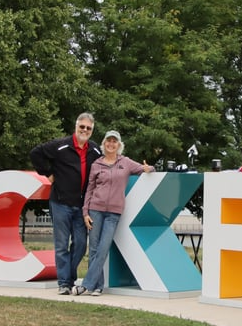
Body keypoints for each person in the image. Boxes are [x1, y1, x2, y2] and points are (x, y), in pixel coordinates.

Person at [74, 130, 154, 296]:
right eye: (108, 141)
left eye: (114, 141)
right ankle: (97, 287)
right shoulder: (96, 164)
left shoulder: (125, 162)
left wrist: (149, 168)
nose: (111, 144)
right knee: (94, 248)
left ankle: (86, 285)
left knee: (103, 248)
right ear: (104, 144)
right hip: (95, 210)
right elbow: (89, 189)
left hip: (114, 213)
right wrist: (85, 212)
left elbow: (144, 168)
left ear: (119, 145)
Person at [29, 113, 101, 295]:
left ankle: (68, 277)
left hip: (81, 206)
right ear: (76, 127)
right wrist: (48, 173)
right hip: (60, 202)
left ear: (92, 131)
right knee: (61, 244)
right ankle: (64, 283)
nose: (84, 130)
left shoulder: (95, 150)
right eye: (82, 126)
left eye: (88, 128)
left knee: (79, 245)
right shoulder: (60, 145)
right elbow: (35, 153)